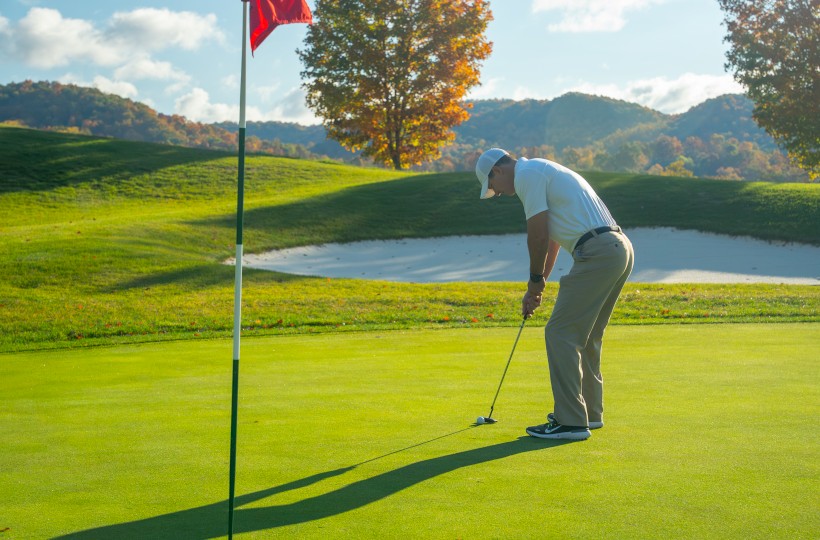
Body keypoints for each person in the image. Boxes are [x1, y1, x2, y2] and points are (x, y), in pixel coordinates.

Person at [475, 148, 634, 441]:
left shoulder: (527, 175)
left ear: (496, 171)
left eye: (493, 187)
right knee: (586, 335)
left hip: (597, 252)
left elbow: (536, 233)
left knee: (560, 333)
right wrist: (538, 285)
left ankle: (571, 421)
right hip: (617, 247)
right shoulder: (541, 170)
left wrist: (534, 281)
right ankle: (590, 414)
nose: (497, 193)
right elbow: (550, 240)